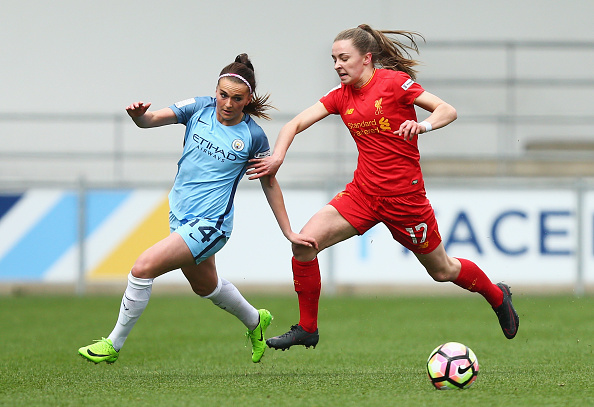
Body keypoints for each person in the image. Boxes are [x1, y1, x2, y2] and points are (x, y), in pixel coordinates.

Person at [247, 24, 519, 350]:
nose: (337, 65)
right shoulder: (339, 96)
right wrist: (278, 156)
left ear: (367, 58)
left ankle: (496, 294)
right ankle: (308, 328)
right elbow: (293, 124)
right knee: (305, 244)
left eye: (344, 58)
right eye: (334, 59)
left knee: (442, 270)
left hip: (405, 199)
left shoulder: (393, 83)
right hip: (362, 194)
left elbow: (448, 110)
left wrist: (423, 124)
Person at [78, 53, 317, 364]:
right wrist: (138, 117)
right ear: (215, 91)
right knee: (205, 285)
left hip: (211, 224)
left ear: (248, 99)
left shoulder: (253, 136)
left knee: (142, 268)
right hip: (180, 214)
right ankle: (256, 322)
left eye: (237, 98)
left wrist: (288, 231)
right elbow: (149, 121)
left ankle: (113, 345)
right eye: (223, 95)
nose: (228, 104)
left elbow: (269, 182)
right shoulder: (198, 108)